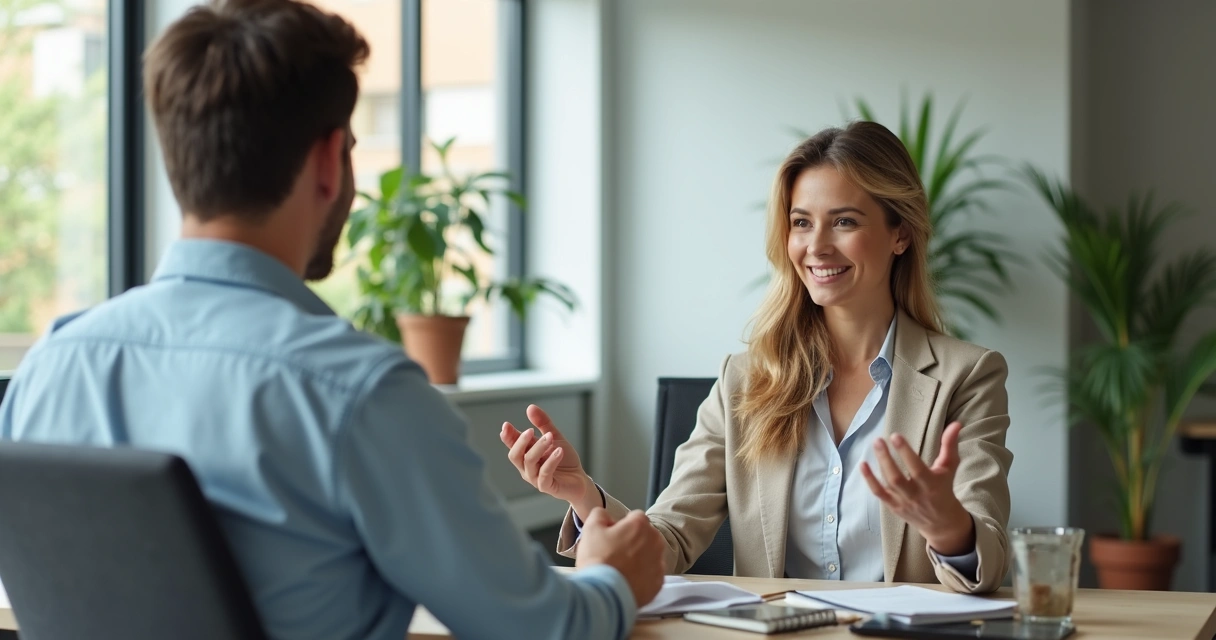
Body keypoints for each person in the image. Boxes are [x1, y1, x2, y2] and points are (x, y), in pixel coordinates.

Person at [0, 1, 665, 638]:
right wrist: (613, 576)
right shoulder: (362, 393)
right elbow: (540, 627)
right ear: (327, 161)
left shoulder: (49, 369)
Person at [502, 121, 1014, 594]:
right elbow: (669, 541)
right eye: (801, 222)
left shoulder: (964, 376)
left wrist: (947, 524)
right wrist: (583, 497)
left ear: (900, 233)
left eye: (844, 222)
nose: (817, 247)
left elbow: (987, 566)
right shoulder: (744, 381)